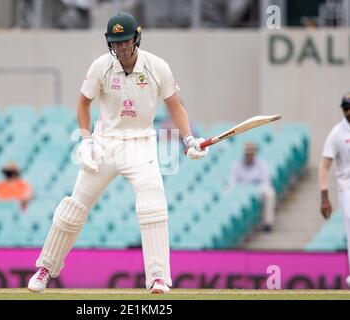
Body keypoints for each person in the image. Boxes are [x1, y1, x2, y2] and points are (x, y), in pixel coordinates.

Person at [28, 12, 209, 294]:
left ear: (136, 38)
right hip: (105, 142)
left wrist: (188, 139)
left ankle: (158, 277)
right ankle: (45, 268)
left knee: (153, 205)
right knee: (74, 208)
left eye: (126, 41)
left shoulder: (157, 67)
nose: (122, 47)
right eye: (116, 42)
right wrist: (86, 141)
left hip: (141, 143)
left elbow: (175, 106)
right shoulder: (101, 66)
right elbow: (83, 105)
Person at [319, 92, 350, 289]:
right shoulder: (337, 133)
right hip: (347, 187)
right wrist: (324, 196)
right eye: (346, 108)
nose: (348, 112)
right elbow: (324, 166)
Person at [229, 142, 276, 232]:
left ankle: (268, 222)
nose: (248, 155)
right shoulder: (237, 165)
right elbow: (232, 182)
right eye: (247, 153)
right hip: (242, 190)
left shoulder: (262, 165)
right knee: (228, 192)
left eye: (250, 153)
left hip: (258, 189)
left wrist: (255, 189)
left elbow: (266, 182)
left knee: (270, 193)